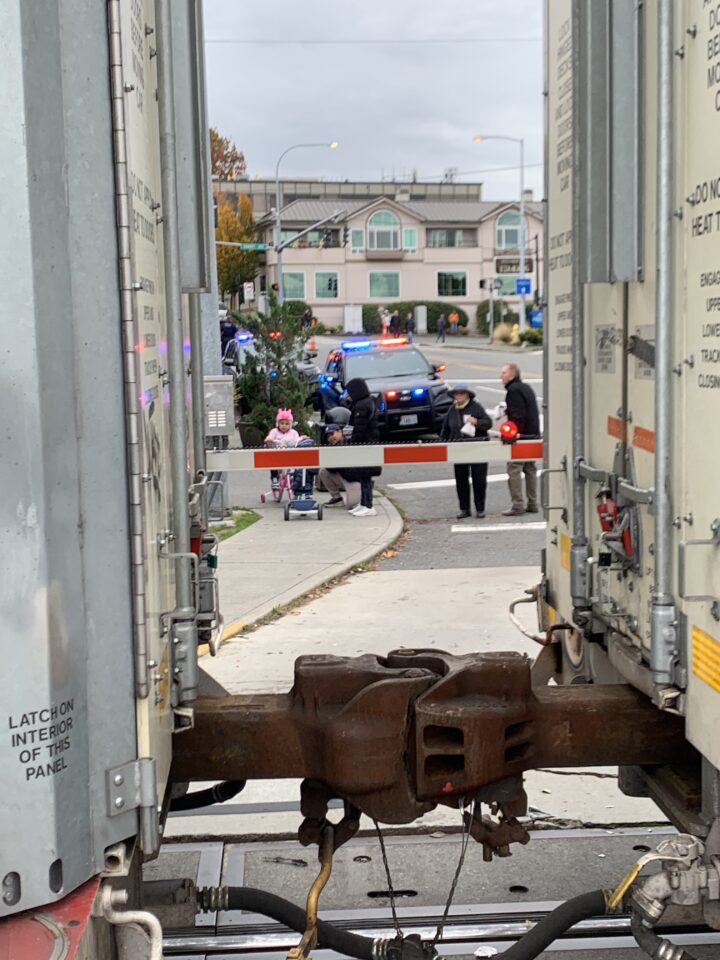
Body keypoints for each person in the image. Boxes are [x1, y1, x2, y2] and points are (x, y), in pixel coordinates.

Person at [440, 383, 492, 519]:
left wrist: (477, 422)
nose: (458, 396)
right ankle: (464, 509)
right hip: (459, 449)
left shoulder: (476, 407)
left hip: (477, 448)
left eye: (461, 393)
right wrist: (442, 444)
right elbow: (445, 430)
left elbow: (488, 423)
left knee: (479, 479)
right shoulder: (452, 410)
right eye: (456, 393)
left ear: (467, 395)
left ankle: (480, 509)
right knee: (461, 480)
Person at [500, 363, 541, 516]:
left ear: (512, 375)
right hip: (533, 434)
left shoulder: (513, 390)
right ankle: (533, 503)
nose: (501, 376)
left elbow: (518, 416)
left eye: (504, 373)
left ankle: (518, 505)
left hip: (521, 436)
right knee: (530, 468)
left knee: (514, 468)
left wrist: (513, 435)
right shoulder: (525, 387)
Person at [346, 377, 381, 517]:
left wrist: (353, 443)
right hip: (370, 444)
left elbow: (359, 428)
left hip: (365, 445)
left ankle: (368, 505)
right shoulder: (369, 402)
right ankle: (363, 503)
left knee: (365, 476)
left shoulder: (361, 405)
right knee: (363, 476)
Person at [318, 424, 362, 510]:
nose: (330, 437)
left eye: (332, 434)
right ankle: (337, 498)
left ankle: (363, 495)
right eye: (328, 436)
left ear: (340, 432)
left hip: (355, 480)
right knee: (323, 471)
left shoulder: (350, 442)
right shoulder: (332, 447)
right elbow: (331, 469)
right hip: (343, 478)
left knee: (352, 506)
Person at [264, 408, 301, 490]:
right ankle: (275, 479)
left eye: (287, 424)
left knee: (296, 467)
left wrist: (301, 439)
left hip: (290, 454)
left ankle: (295, 480)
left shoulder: (293, 432)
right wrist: (269, 439)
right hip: (277, 454)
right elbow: (270, 437)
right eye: (282, 423)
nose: (284, 425)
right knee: (273, 463)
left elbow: (297, 440)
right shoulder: (274, 431)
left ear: (290, 424)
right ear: (278, 423)